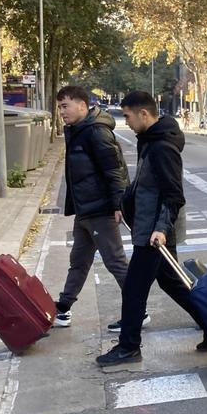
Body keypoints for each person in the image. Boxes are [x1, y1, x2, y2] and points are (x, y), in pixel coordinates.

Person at [95, 92, 207, 368]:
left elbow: (173, 195)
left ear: (144, 114)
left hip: (154, 232)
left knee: (134, 289)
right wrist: (126, 202)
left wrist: (160, 229)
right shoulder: (149, 142)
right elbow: (147, 186)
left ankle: (129, 347)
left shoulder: (162, 147)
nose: (125, 120)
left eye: (127, 115)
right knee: (172, 282)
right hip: (150, 227)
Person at [51, 86, 142, 331]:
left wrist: (118, 204)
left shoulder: (96, 132)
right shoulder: (77, 130)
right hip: (85, 210)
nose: (61, 112)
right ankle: (64, 308)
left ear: (82, 105)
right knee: (78, 261)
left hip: (101, 210)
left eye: (65, 106)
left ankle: (139, 312)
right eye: (59, 107)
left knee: (115, 262)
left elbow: (115, 171)